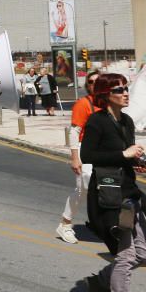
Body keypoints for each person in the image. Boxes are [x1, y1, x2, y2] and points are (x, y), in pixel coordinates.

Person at [80, 73, 146, 292]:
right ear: (106, 95)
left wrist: (137, 161)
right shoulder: (97, 121)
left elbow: (125, 155)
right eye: (119, 90)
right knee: (126, 255)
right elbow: (88, 155)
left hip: (130, 192)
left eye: (126, 88)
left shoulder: (126, 121)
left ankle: (102, 280)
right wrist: (124, 154)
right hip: (110, 194)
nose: (125, 93)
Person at [56, 71, 100, 244]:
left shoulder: (108, 103)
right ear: (87, 85)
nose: (94, 84)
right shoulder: (84, 103)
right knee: (83, 188)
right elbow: (74, 132)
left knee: (108, 187)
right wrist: (75, 158)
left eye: (98, 81)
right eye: (91, 82)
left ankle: (104, 224)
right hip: (85, 149)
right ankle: (65, 224)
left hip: (104, 151)